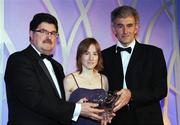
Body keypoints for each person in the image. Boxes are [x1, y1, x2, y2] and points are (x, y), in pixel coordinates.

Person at [4, 13, 105, 125]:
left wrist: (77, 104)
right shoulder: (19, 60)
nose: (48, 37)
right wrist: (77, 108)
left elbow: (58, 103)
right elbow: (35, 100)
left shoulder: (57, 67)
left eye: (53, 33)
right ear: (31, 34)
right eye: (43, 31)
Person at [101, 5, 168, 125]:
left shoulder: (154, 53)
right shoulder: (103, 56)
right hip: (115, 120)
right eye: (120, 26)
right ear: (114, 29)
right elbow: (100, 90)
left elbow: (160, 90)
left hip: (148, 120)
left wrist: (132, 94)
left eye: (129, 25)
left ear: (136, 28)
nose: (125, 31)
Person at [63, 38, 110, 125]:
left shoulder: (104, 79)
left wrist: (107, 115)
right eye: (87, 53)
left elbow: (104, 109)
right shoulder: (69, 80)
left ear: (99, 57)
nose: (91, 58)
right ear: (80, 56)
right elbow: (62, 112)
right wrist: (76, 108)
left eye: (95, 54)